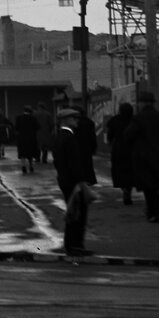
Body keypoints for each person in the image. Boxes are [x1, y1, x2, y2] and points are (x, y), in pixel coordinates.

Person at [119, 90, 159, 223]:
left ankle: (157, 212)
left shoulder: (139, 119)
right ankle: (154, 211)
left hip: (145, 157)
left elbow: (127, 135)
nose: (137, 105)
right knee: (155, 185)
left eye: (138, 103)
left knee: (149, 187)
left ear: (142, 104)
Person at [52, 103, 96, 254]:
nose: (76, 120)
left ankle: (70, 244)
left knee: (73, 212)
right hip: (73, 182)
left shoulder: (60, 136)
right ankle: (76, 245)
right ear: (64, 120)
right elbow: (74, 164)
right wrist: (82, 184)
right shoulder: (69, 137)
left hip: (65, 179)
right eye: (73, 118)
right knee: (78, 214)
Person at [105, 102, 136, 204]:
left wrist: (110, 143)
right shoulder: (134, 120)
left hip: (118, 148)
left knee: (119, 171)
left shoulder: (115, 120)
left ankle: (124, 188)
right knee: (131, 171)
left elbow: (110, 135)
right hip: (132, 149)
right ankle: (128, 189)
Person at [13, 105, 40, 174]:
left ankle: (23, 166)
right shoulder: (33, 118)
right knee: (30, 152)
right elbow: (37, 127)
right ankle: (31, 165)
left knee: (22, 153)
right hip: (31, 138)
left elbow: (16, 128)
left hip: (22, 138)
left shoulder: (19, 118)